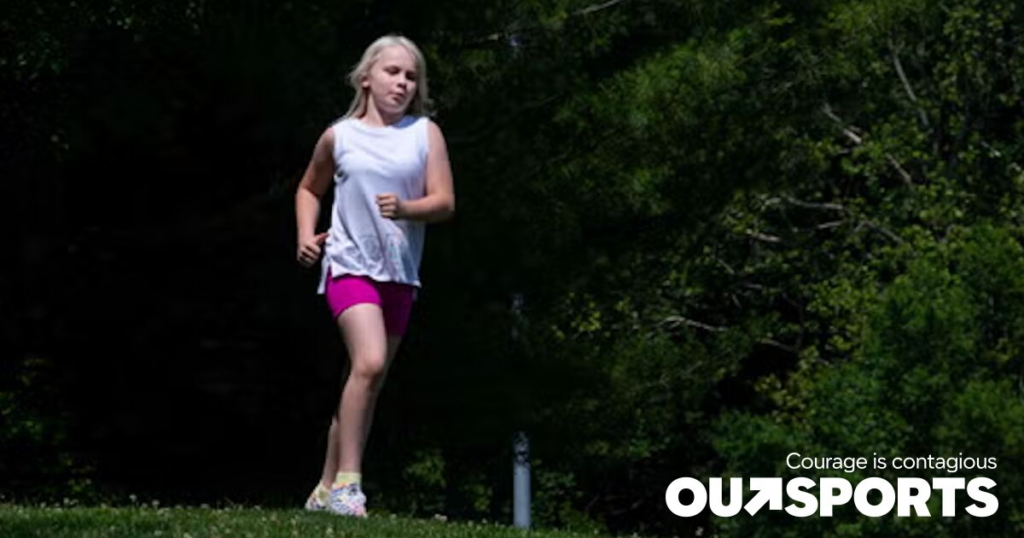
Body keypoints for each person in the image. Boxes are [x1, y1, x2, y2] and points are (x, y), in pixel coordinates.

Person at [294, 34, 455, 517]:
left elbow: (444, 202)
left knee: (365, 378)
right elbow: (308, 187)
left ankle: (322, 489)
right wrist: (305, 233)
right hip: (348, 264)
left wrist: (408, 207)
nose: (403, 83)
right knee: (368, 362)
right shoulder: (339, 136)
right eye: (393, 72)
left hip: (400, 272)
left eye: (411, 76)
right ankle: (348, 486)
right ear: (366, 77)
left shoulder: (425, 133)